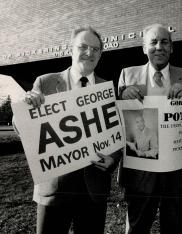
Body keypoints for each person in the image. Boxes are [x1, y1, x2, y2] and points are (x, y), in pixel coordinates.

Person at [15, 26, 121, 234]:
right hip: (53, 189)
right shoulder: (45, 82)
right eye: (83, 46)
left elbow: (117, 132)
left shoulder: (107, 88)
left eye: (96, 49)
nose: (89, 53)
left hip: (93, 190)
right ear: (70, 49)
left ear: (101, 54)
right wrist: (25, 109)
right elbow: (23, 129)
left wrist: (114, 158)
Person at [118, 23, 182, 234]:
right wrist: (123, 95)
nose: (159, 47)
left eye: (164, 42)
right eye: (153, 42)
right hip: (141, 168)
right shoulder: (127, 75)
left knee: (174, 226)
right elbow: (117, 118)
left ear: (172, 47)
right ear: (144, 48)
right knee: (137, 227)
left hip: (176, 168)